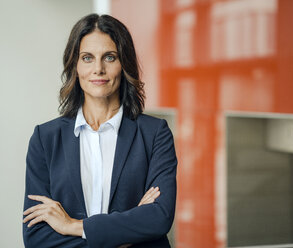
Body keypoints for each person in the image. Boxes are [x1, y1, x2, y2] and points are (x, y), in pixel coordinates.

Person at [22, 13, 177, 248]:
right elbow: (37, 238)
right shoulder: (45, 139)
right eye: (87, 58)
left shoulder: (155, 133)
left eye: (109, 57)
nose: (98, 69)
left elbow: (158, 218)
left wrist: (73, 226)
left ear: (124, 63)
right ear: (74, 65)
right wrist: (125, 234)